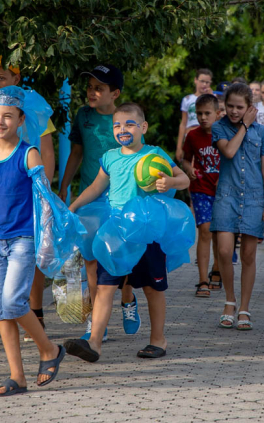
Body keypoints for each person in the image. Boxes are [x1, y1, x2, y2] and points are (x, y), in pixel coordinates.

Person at [64, 103, 190, 362]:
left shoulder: (154, 155)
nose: (123, 129)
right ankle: (94, 343)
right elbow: (96, 188)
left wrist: (170, 182)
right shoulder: (110, 157)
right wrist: (73, 207)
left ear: (143, 127)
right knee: (105, 286)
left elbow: (184, 179)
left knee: (152, 289)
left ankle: (158, 340)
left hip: (147, 231)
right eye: (117, 125)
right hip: (116, 232)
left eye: (129, 124)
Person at [0, 86, 67, 394]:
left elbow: (44, 202)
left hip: (23, 239)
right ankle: (17, 376)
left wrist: (47, 241)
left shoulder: (29, 154)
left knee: (13, 302)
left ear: (20, 120)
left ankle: (49, 350)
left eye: (7, 116)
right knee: (1, 309)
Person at [0, 56, 57, 344]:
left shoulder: (33, 111)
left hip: (24, 200)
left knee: (27, 269)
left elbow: (46, 155)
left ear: (16, 79)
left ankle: (36, 314)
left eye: (1, 78)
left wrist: (43, 196)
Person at [58, 64, 140, 341]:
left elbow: (139, 159)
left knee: (121, 255)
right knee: (91, 259)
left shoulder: (125, 120)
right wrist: (64, 186)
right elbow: (76, 152)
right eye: (90, 87)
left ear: (115, 93)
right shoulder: (83, 115)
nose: (91, 92)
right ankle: (97, 322)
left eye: (99, 88)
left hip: (121, 198)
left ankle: (127, 298)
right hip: (89, 197)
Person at [211, 83, 264, 331]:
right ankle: (230, 301)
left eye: (239, 107)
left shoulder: (262, 132)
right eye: (230, 106)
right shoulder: (219, 127)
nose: (233, 111)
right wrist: (245, 126)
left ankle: (244, 308)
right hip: (226, 196)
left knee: (249, 255)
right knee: (224, 251)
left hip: (254, 198)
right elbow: (229, 151)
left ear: (249, 107)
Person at [181, 94, 222, 297]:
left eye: (207, 113)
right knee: (205, 231)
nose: (203, 117)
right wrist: (189, 169)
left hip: (224, 191)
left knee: (221, 233)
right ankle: (203, 280)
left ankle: (217, 269)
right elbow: (185, 159)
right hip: (201, 189)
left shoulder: (226, 134)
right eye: (199, 113)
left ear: (218, 113)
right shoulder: (193, 136)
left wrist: (224, 176)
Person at [176, 69, 213, 162]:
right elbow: (183, 123)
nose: (204, 84)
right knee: (189, 162)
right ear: (195, 80)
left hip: (206, 137)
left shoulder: (213, 98)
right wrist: (179, 147)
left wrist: (211, 97)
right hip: (190, 136)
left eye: (207, 82)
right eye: (202, 81)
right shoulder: (187, 99)